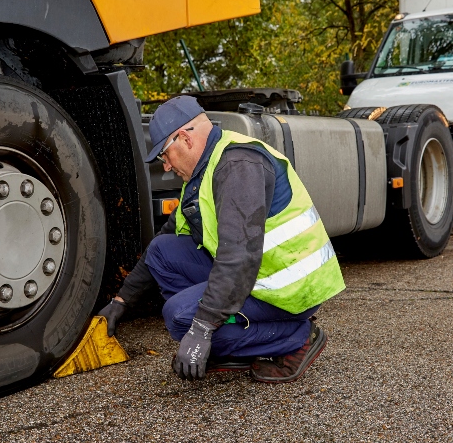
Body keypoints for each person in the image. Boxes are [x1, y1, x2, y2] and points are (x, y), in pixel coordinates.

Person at [97, 95, 345, 382]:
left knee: (180, 318)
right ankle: (234, 338)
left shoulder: (238, 166)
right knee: (165, 252)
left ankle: (297, 337)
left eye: (165, 155)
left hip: (288, 289)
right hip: (257, 276)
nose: (165, 166)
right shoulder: (203, 173)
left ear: (185, 139)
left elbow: (238, 257)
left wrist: (202, 328)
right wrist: (121, 300)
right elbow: (163, 241)